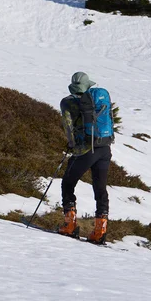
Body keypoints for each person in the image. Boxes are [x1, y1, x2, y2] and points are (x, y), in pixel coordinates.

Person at [57, 72, 115, 244]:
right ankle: (99, 231)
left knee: (68, 183)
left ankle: (70, 225)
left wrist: (71, 144)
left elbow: (68, 126)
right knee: (100, 188)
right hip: (104, 148)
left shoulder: (67, 102)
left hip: (85, 150)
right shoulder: (96, 100)